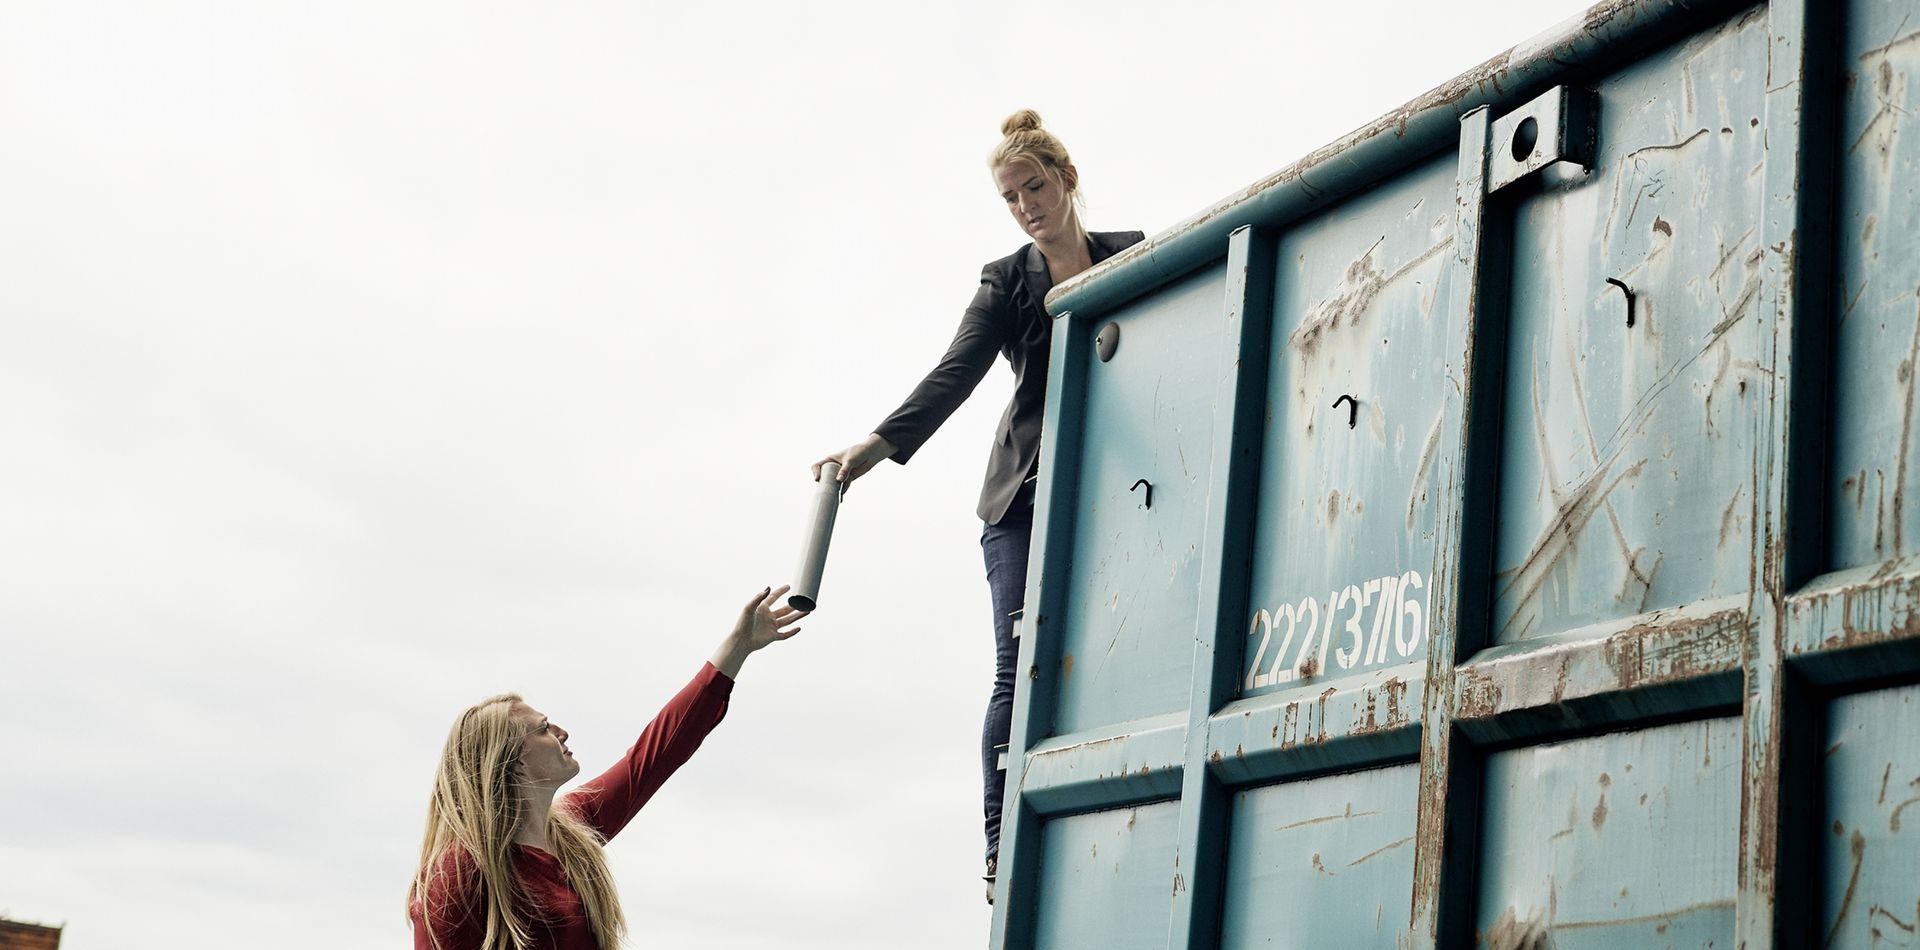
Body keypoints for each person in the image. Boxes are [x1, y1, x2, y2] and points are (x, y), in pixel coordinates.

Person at [811, 110, 1143, 899]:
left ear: (1066, 180)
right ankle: (999, 846)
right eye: (1010, 196)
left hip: (1115, 492)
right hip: (1022, 500)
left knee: (1113, 652)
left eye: (1035, 186)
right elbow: (952, 374)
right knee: (1016, 667)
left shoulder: (1133, 255)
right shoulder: (1005, 281)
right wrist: (876, 446)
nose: (1026, 205)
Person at [407, 585, 805, 950]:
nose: (561, 732)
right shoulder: (457, 874)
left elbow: (653, 757)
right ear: (509, 761)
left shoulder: (572, 831)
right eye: (544, 729)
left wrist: (738, 646)